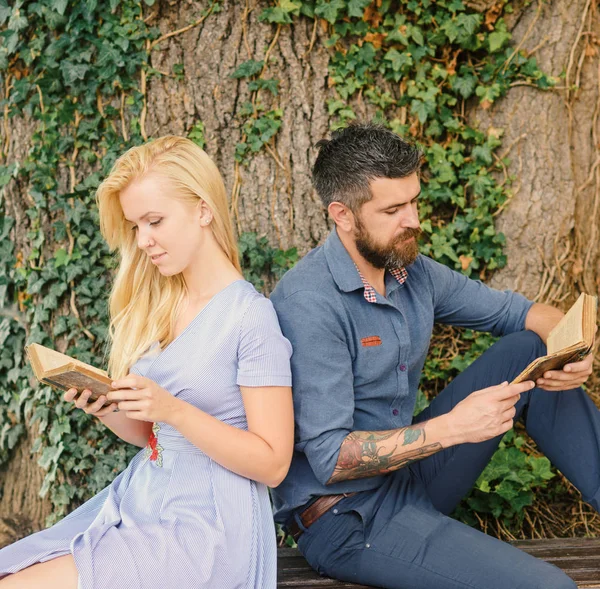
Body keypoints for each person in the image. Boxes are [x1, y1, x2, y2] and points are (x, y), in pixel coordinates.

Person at [270, 122, 598, 589]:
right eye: (393, 208)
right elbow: (331, 459)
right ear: (342, 214)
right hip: (346, 518)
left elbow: (521, 312)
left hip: (410, 475)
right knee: (552, 588)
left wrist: (574, 348)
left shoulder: (410, 272)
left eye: (414, 200)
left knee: (530, 347)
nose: (414, 220)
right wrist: (452, 428)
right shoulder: (309, 303)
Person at [0, 136, 294, 589]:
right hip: (143, 498)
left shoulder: (250, 318)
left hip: (208, 526)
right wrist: (110, 410)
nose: (143, 241)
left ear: (202, 209)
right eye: (136, 226)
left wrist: (173, 409)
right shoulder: (163, 304)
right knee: (13, 568)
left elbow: (274, 463)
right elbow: (152, 437)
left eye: (154, 221)